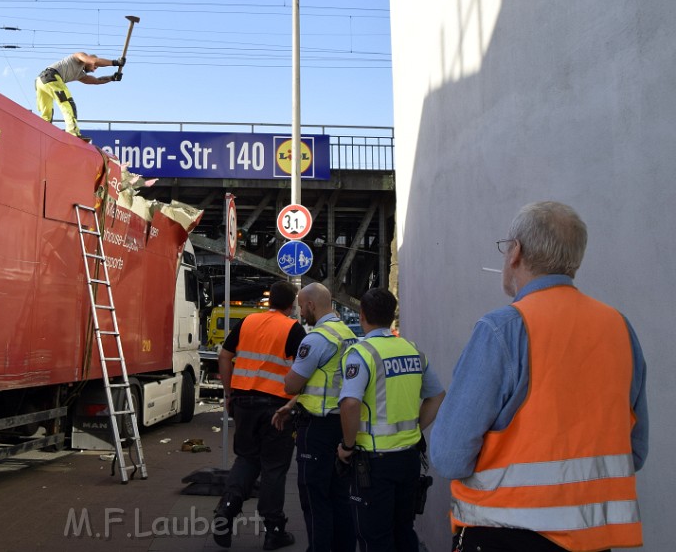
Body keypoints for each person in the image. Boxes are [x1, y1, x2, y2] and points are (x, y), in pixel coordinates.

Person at [430, 201, 649, 552]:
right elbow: (634, 452)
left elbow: (449, 456)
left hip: (504, 534)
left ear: (515, 252)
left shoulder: (502, 329)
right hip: (593, 541)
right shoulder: (619, 328)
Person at [337, 287, 445, 552]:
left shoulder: (362, 353)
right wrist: (415, 429)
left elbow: (350, 402)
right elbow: (437, 396)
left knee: (374, 536)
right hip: (408, 458)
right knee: (403, 530)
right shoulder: (412, 350)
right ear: (392, 316)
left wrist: (347, 446)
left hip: (374, 463)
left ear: (361, 316)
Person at [215, 280, 306, 550]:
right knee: (274, 468)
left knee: (246, 458)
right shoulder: (293, 328)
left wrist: (229, 393)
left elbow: (224, 356)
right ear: (291, 305)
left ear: (268, 301)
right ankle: (274, 530)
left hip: (243, 402)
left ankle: (226, 510)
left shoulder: (248, 323)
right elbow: (303, 369)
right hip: (277, 408)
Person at [271, 283, 358, 552]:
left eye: (301, 305)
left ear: (311, 304)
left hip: (318, 430)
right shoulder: (348, 334)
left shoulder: (316, 339)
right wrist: (293, 405)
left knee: (314, 498)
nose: (299, 311)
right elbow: (331, 380)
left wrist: (291, 394)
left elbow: (292, 384)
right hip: (342, 425)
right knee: (339, 498)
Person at [34, 52, 123, 137]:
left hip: (40, 81)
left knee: (47, 114)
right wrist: (115, 62)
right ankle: (73, 133)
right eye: (95, 67)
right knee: (68, 104)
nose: (93, 70)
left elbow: (96, 81)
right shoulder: (79, 56)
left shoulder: (80, 75)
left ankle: (42, 131)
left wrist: (112, 78)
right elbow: (94, 61)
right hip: (51, 77)